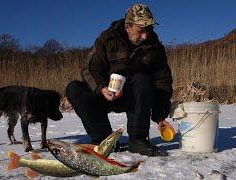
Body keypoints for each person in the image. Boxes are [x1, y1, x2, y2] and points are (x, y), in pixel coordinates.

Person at [66, 4, 173, 156]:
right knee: (74, 88)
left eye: (148, 30)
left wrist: (160, 115)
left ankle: (138, 140)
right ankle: (105, 140)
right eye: (141, 30)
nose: (145, 36)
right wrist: (102, 88)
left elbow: (163, 81)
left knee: (142, 78)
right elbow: (90, 69)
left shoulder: (155, 47)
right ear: (128, 26)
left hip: (134, 97)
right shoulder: (107, 38)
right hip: (106, 93)